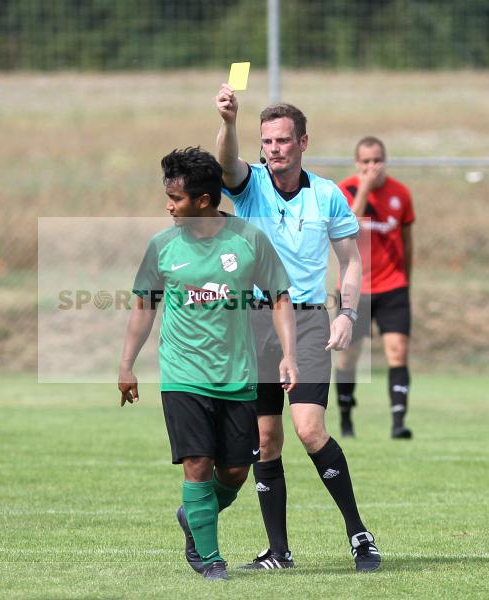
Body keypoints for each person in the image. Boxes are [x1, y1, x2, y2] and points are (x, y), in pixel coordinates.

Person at [215, 84, 382, 571]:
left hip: (307, 320)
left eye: (283, 141)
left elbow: (351, 261)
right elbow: (227, 165)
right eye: (266, 142)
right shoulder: (250, 188)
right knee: (266, 440)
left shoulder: (328, 194)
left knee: (309, 429)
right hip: (252, 321)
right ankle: (279, 552)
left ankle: (359, 534)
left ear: (303, 142)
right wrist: (228, 121)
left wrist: (348, 313)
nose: (274, 150)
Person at [118, 147, 298, 581]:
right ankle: (210, 556)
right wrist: (127, 365)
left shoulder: (247, 239)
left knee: (234, 471)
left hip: (237, 375)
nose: (168, 206)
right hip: (182, 374)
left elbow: (279, 296)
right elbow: (144, 306)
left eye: (176, 198)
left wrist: (290, 354)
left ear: (203, 200)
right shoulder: (161, 246)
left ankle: (194, 516)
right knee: (197, 463)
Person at [335, 136, 415, 439]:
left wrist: (407, 279)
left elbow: (407, 241)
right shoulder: (344, 190)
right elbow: (347, 230)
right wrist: (365, 190)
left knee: (398, 351)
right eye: (366, 161)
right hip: (354, 289)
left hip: (393, 286)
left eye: (377, 160)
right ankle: (345, 418)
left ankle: (398, 423)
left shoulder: (401, 193)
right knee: (348, 357)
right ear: (357, 163)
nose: (372, 166)